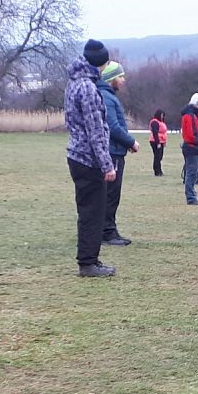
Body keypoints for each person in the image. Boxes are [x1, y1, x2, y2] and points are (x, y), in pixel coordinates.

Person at [65, 39, 117, 276]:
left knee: (87, 210)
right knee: (93, 212)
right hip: (89, 159)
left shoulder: (73, 83)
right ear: (101, 63)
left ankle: (89, 260)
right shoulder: (87, 87)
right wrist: (107, 165)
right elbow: (95, 130)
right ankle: (88, 263)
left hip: (76, 155)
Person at [97, 61, 139, 246]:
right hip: (111, 152)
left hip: (116, 150)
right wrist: (130, 141)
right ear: (111, 78)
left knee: (111, 193)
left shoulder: (109, 96)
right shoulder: (106, 97)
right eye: (120, 76)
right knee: (110, 194)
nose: (123, 80)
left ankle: (109, 230)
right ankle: (107, 232)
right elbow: (112, 127)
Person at [149, 109, 167, 177]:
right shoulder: (154, 122)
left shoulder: (161, 122)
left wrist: (164, 142)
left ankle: (159, 170)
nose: (162, 116)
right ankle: (157, 171)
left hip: (161, 141)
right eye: (161, 115)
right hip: (155, 141)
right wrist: (158, 143)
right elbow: (155, 133)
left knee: (160, 156)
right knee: (157, 156)